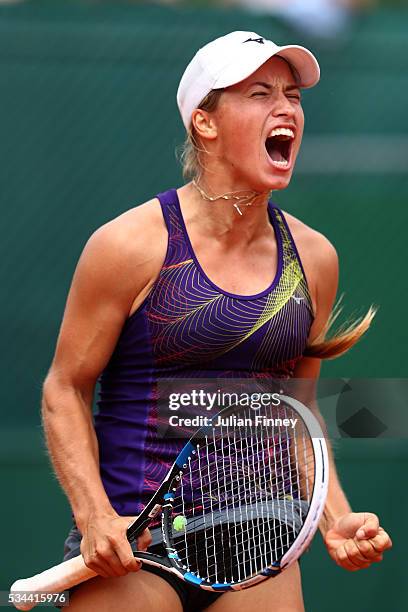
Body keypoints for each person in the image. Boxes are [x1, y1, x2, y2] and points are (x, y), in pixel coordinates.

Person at [42, 31, 392, 612]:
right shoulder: (127, 245)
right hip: (139, 543)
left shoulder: (315, 258)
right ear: (205, 123)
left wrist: (334, 516)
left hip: (260, 540)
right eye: (259, 93)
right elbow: (65, 387)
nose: (286, 109)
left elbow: (296, 412)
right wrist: (94, 515)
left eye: (293, 96)